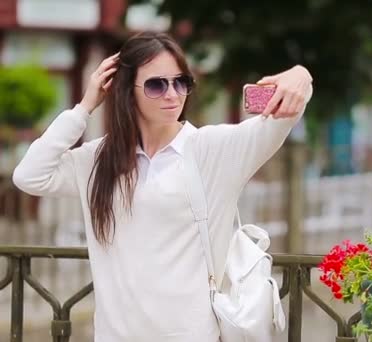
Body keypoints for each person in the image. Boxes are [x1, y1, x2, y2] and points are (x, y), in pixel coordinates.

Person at [12, 31, 313, 341]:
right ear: (128, 90)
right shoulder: (100, 160)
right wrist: (85, 107)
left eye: (181, 82)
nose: (172, 94)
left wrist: (301, 75)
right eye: (157, 84)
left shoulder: (212, 150)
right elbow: (29, 175)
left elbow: (286, 115)